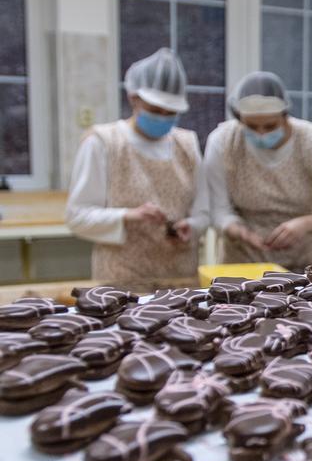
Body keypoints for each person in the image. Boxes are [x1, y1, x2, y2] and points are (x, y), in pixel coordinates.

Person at [66, 48, 209, 288]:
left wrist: (191, 227)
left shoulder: (187, 144)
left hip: (180, 278)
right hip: (121, 279)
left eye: (170, 112)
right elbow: (77, 217)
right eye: (155, 110)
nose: (163, 117)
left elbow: (204, 212)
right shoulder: (103, 143)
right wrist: (128, 216)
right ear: (133, 98)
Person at [204, 71, 312, 269]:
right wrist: (237, 230)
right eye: (251, 127)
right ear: (239, 119)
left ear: (286, 116)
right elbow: (218, 209)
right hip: (243, 266)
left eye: (270, 126)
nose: (261, 133)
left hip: (302, 265)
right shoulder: (223, 142)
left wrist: (306, 225)